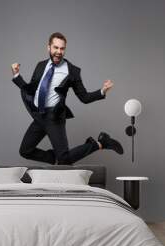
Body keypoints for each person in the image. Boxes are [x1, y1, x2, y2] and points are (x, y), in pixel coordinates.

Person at [11, 32, 123, 165]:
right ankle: (54, 157)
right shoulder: (40, 65)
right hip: (39, 116)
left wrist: (102, 91)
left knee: (64, 159)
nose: (58, 52)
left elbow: (84, 97)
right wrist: (17, 75)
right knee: (25, 151)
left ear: (65, 49)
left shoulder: (72, 71)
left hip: (54, 117)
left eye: (62, 48)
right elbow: (31, 89)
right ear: (49, 48)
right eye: (55, 47)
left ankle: (101, 143)